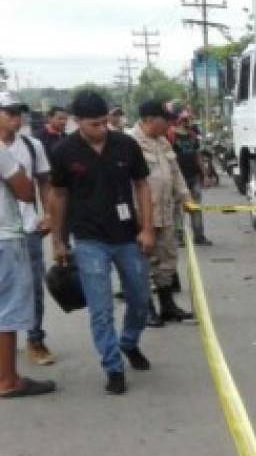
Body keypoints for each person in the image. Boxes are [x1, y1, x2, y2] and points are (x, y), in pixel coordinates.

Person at [48, 91, 155, 395]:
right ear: (77, 122)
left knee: (140, 298)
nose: (101, 129)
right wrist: (58, 239)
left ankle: (129, 342)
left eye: (104, 122)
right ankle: (113, 366)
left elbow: (142, 185)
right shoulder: (64, 151)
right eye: (94, 124)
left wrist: (147, 229)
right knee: (101, 308)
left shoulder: (125, 144)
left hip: (127, 236)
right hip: (89, 239)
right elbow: (58, 195)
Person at [0, 93, 55, 365]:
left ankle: (35, 339)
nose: (16, 118)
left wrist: (48, 214)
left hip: (28, 228)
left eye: (18, 112)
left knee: (33, 286)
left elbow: (45, 182)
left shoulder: (33, 146)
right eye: (9, 112)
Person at [128, 101, 195, 323]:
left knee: (167, 260)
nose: (169, 124)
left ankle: (167, 306)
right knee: (143, 262)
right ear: (149, 120)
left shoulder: (162, 142)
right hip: (142, 214)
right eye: (164, 120)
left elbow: (175, 173)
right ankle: (146, 309)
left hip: (166, 212)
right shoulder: (129, 142)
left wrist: (186, 197)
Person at [171, 112, 212, 245]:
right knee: (178, 207)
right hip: (178, 177)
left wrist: (205, 175)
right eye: (183, 119)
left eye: (187, 120)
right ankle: (179, 236)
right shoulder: (170, 135)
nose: (185, 122)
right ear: (178, 120)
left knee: (195, 206)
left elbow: (198, 156)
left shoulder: (192, 136)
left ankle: (199, 236)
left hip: (194, 176)